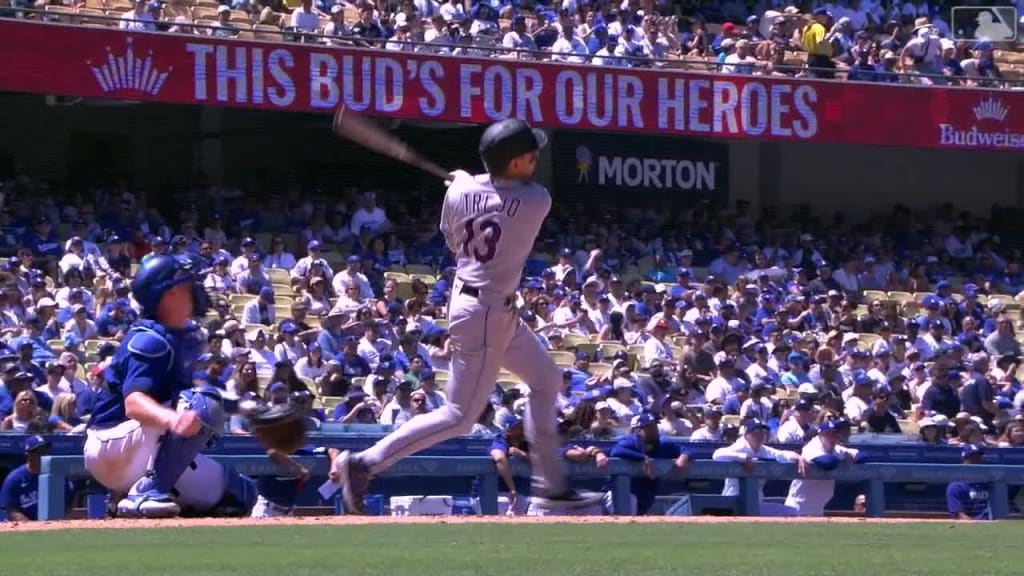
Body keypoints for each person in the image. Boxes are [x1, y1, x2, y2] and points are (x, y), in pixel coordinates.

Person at [330, 119, 603, 514]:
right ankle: (365, 462)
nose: (535, 158)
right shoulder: (536, 200)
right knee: (459, 415)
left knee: (546, 379)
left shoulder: (459, 192)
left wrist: (467, 184)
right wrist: (471, 183)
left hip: (483, 303)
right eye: (530, 154)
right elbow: (500, 192)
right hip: (486, 311)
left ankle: (552, 485)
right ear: (514, 162)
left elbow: (454, 236)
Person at [83, 254, 257, 518]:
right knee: (202, 402)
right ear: (171, 293)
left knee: (239, 491)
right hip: (112, 445)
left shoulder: (182, 336)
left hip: (145, 445)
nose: (196, 289)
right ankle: (147, 491)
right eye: (188, 283)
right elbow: (134, 403)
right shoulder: (148, 339)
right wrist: (174, 418)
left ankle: (136, 499)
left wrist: (255, 410)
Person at [784, 418, 862, 516]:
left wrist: (851, 456)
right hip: (799, 505)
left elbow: (862, 456)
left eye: (836, 433)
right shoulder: (813, 446)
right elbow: (828, 462)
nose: (833, 437)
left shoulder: (835, 449)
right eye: (829, 434)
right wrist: (843, 458)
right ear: (821, 435)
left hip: (818, 505)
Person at [0, 436, 69, 521]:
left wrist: (60, 521)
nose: (44, 455)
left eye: (45, 451)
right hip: (25, 528)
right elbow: (10, 509)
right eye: (39, 452)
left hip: (53, 524)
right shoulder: (14, 479)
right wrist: (32, 526)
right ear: (28, 455)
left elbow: (69, 500)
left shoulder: (57, 474)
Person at [946, 444, 992, 520]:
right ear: (964, 461)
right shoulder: (956, 486)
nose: (976, 461)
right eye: (972, 458)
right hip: (972, 525)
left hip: (993, 522)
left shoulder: (991, 482)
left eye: (978, 457)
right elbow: (959, 515)